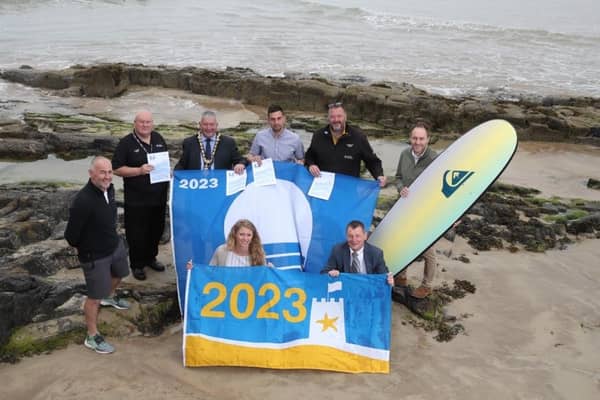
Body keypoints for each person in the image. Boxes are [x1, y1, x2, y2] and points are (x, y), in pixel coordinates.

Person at [64, 156, 130, 354]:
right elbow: (70, 236)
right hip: (95, 256)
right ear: (91, 173)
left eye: (110, 172)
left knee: (120, 273)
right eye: (102, 172)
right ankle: (92, 336)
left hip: (114, 245)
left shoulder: (109, 189)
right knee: (94, 298)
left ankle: (109, 297)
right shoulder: (83, 201)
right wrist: (84, 248)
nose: (107, 176)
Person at [112, 110, 169, 281]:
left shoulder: (158, 138)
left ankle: (151, 258)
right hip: (137, 200)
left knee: (156, 230)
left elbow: (164, 162)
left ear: (152, 123)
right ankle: (137, 265)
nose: (145, 125)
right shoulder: (126, 143)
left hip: (158, 198)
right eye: (141, 122)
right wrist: (138, 170)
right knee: (137, 234)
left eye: (148, 122)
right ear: (135, 123)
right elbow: (116, 168)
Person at [394, 122, 438, 298]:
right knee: (403, 242)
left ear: (428, 139)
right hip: (403, 208)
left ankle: (427, 285)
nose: (417, 142)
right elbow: (398, 178)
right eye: (414, 138)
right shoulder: (404, 154)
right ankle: (402, 277)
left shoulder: (435, 159)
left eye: (421, 138)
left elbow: (440, 188)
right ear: (410, 138)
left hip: (424, 212)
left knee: (427, 250)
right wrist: (400, 188)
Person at [305, 102, 386, 187]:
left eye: (339, 116)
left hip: (348, 189)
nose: (336, 120)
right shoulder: (318, 135)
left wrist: (379, 175)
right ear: (328, 118)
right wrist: (311, 165)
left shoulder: (358, 137)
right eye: (332, 117)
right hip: (322, 186)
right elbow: (309, 156)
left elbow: (372, 161)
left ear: (345, 117)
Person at [322, 220, 394, 286]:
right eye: (350, 236)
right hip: (346, 291)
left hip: (368, 291)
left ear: (365, 236)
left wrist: (390, 281)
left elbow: (384, 277)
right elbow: (324, 273)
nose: (354, 240)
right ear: (346, 236)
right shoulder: (337, 250)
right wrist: (330, 273)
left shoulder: (376, 253)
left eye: (357, 236)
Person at [174, 110, 246, 173]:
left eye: (212, 124)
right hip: (196, 184)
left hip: (220, 184)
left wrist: (240, 164)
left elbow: (241, 160)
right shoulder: (189, 142)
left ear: (216, 125)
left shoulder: (228, 142)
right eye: (205, 124)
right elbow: (182, 165)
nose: (209, 128)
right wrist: (174, 174)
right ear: (200, 125)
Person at [187, 219, 268, 268]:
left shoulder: (259, 253)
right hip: (226, 294)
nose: (245, 238)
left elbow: (263, 278)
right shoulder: (221, 251)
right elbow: (210, 274)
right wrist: (194, 271)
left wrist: (271, 271)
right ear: (235, 234)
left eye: (249, 235)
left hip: (250, 295)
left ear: (253, 237)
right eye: (241, 234)